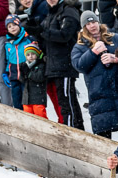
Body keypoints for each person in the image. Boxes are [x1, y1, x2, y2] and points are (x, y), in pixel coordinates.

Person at [71, 10, 118, 137]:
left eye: (94, 22)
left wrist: (116, 59)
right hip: (100, 101)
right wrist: (93, 52)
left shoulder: (116, 38)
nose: (92, 26)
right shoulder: (80, 46)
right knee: (103, 142)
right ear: (83, 28)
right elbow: (79, 66)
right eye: (88, 24)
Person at [36, 0, 84, 128]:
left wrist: (42, 31)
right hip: (55, 64)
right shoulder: (51, 12)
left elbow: (65, 35)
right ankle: (76, 129)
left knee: (67, 102)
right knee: (65, 101)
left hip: (65, 63)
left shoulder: (68, 11)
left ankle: (72, 130)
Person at [2, 14, 33, 109]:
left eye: (14, 25)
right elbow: (8, 60)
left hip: (26, 74)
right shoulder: (8, 43)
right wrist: (6, 72)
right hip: (14, 75)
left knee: (26, 100)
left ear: (19, 25)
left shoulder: (27, 39)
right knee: (16, 99)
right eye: (9, 26)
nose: (12, 28)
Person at [19, 42, 48, 119]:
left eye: (33, 54)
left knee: (40, 116)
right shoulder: (25, 65)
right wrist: (22, 72)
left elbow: (39, 78)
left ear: (37, 55)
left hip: (38, 98)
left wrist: (28, 73)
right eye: (28, 55)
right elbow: (21, 80)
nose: (30, 56)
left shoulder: (41, 65)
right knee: (28, 118)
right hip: (27, 98)